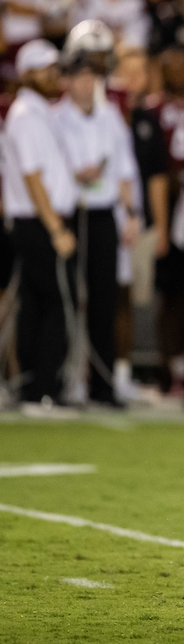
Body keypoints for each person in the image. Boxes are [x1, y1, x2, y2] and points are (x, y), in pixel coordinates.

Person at [52, 20, 140, 407]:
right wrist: (75, 175)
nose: (86, 84)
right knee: (67, 300)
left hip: (103, 214)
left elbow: (124, 171)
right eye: (79, 77)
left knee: (104, 301)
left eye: (91, 77)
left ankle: (102, 384)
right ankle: (64, 379)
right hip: (72, 215)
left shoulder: (110, 119)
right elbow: (49, 168)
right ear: (68, 81)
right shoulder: (56, 119)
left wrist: (132, 214)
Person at [1, 39, 78, 408]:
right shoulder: (26, 115)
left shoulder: (39, 112)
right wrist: (56, 228)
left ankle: (32, 385)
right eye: (47, 69)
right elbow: (32, 178)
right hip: (39, 222)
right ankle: (44, 388)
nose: (55, 75)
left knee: (35, 304)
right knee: (56, 303)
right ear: (28, 73)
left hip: (38, 220)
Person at [146, 46, 184, 392]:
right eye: (171, 67)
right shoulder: (154, 109)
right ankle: (167, 363)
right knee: (168, 290)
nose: (178, 73)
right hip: (167, 200)